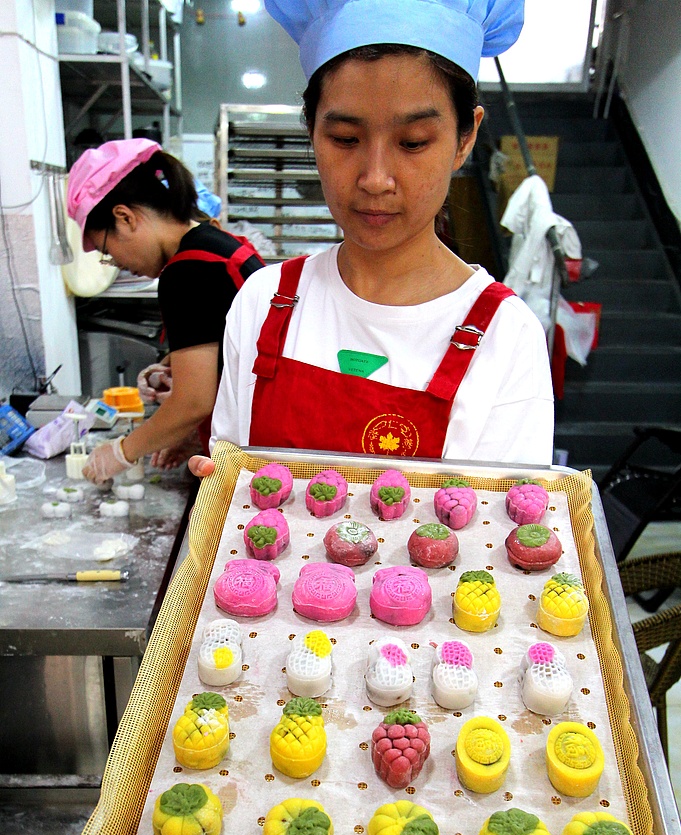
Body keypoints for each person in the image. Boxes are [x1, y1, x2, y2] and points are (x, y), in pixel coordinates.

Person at [191, 0, 554, 481]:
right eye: (344, 138)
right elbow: (232, 493)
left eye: (413, 142)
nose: (375, 179)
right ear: (311, 131)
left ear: (465, 139)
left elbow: (500, 539)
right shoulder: (265, 303)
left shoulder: (505, 337)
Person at [66, 140, 264, 483]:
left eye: (107, 251)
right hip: (259, 438)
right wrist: (178, 369)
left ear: (125, 218)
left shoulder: (185, 271)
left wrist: (121, 452)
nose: (118, 264)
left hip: (251, 452)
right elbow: (231, 341)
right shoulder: (215, 242)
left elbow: (193, 402)